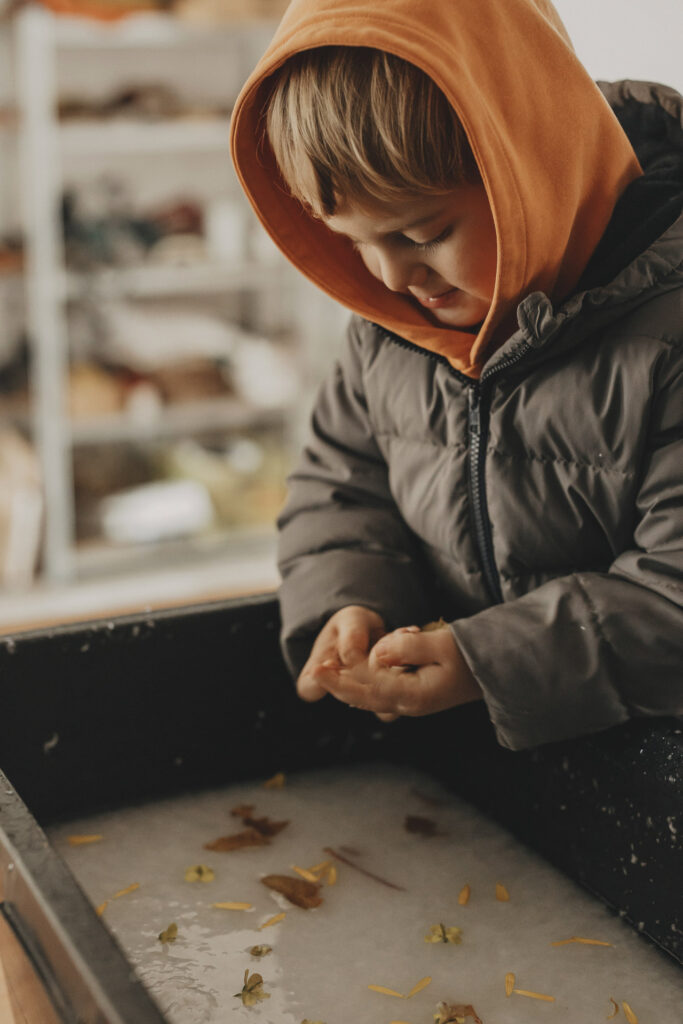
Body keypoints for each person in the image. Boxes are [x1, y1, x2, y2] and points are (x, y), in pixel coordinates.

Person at [230, 0, 683, 749]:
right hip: (487, 751)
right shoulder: (387, 333)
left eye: (421, 232)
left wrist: (487, 663)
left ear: (534, 165)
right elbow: (338, 488)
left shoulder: (667, 341)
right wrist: (350, 602)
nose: (389, 274)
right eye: (354, 240)